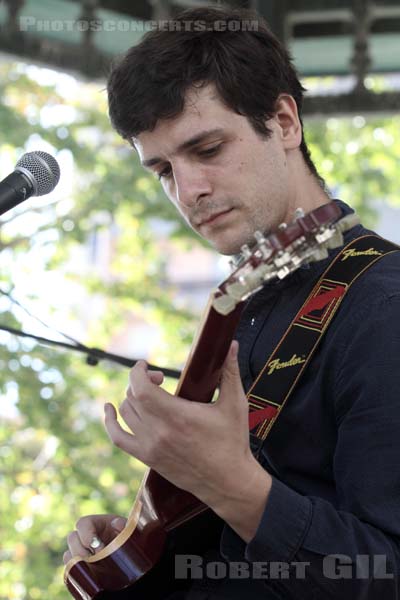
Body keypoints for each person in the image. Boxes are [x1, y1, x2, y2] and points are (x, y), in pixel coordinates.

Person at [63, 6, 400, 599]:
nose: (187, 191)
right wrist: (145, 546)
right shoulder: (246, 306)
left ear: (285, 121)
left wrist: (232, 486)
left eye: (208, 149)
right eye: (163, 169)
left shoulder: (384, 303)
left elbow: (385, 572)